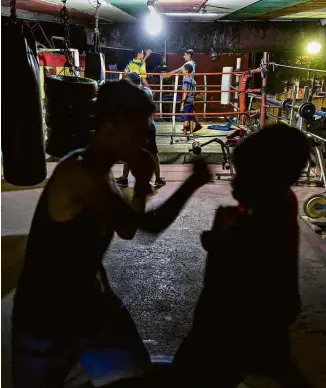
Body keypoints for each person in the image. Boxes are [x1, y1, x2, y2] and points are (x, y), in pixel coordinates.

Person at [11, 79, 211, 388]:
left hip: (90, 304)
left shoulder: (101, 172)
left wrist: (143, 182)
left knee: (138, 375)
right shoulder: (80, 173)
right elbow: (147, 227)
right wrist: (191, 184)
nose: (143, 142)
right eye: (137, 132)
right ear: (109, 128)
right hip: (46, 314)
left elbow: (128, 228)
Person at [173, 124, 313, 388]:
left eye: (244, 175)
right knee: (279, 367)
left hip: (236, 320)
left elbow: (230, 267)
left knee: (191, 373)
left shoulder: (261, 218)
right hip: (271, 311)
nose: (234, 181)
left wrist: (217, 238)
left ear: (266, 179)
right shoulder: (279, 200)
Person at [116, 72, 166, 188]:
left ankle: (124, 179)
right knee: (153, 154)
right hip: (149, 126)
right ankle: (158, 179)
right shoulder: (147, 91)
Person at [163, 49, 202, 132]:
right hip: (190, 86)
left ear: (189, 56)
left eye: (185, 55)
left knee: (185, 106)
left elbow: (179, 70)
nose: (183, 56)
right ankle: (194, 125)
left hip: (187, 86)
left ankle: (187, 128)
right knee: (189, 107)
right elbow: (181, 71)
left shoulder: (188, 64)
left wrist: (168, 74)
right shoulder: (192, 63)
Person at [180, 63, 196, 138]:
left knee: (185, 119)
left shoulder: (185, 80)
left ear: (186, 71)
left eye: (183, 69)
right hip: (192, 100)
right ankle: (191, 133)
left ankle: (184, 135)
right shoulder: (192, 80)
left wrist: (182, 104)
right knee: (191, 117)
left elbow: (185, 92)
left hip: (187, 101)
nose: (182, 71)